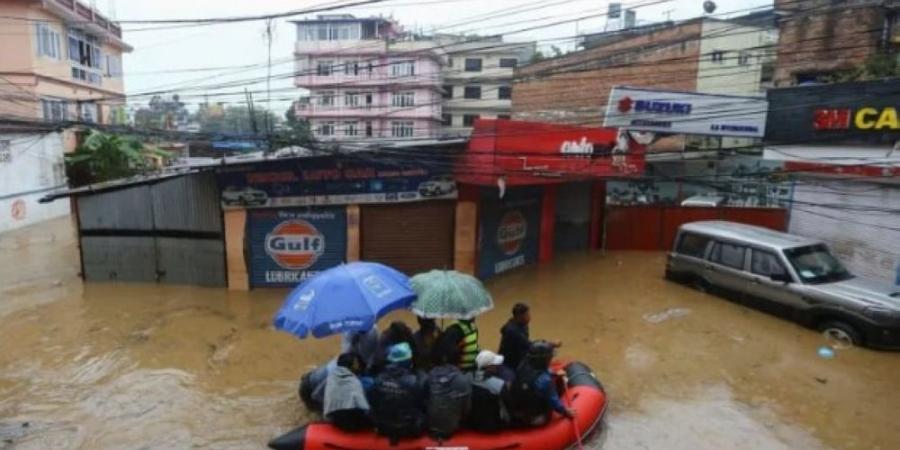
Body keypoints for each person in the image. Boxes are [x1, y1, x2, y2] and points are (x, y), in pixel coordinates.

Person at [508, 340, 574, 427]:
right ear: (544, 359)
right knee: (556, 390)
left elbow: (535, 371)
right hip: (534, 419)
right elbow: (554, 402)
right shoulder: (545, 380)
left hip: (515, 414)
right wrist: (566, 412)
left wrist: (553, 373)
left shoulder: (522, 366)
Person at [369, 343, 426, 444]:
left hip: (383, 428)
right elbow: (421, 404)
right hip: (410, 429)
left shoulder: (378, 380)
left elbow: (373, 403)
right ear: (407, 361)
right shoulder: (415, 382)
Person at [499, 303, 561, 371]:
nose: (529, 317)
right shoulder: (512, 331)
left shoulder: (522, 325)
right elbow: (530, 345)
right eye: (527, 315)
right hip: (512, 363)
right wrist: (551, 344)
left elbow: (526, 343)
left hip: (520, 355)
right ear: (520, 316)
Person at [424, 352, 472, 440]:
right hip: (452, 426)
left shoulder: (430, 374)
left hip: (429, 424)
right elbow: (467, 408)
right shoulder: (463, 379)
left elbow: (424, 398)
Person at [323, 353, 373, 432]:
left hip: (334, 420)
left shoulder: (331, 378)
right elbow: (364, 407)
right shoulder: (354, 381)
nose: (358, 366)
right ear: (351, 366)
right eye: (356, 364)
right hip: (352, 422)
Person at [467, 350, 512, 433]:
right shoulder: (499, 384)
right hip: (493, 426)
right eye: (494, 365)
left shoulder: (467, 378)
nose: (496, 366)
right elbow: (509, 405)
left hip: (471, 423)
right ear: (489, 367)